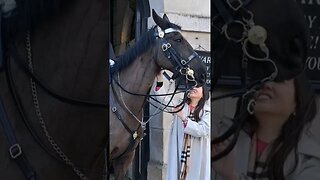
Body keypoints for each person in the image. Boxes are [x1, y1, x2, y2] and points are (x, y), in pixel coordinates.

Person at [212, 73, 320, 180]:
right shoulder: (218, 135)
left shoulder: (309, 158)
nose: (266, 85)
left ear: (297, 102)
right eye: (261, 79)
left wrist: (232, 177)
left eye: (279, 80)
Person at [152, 71, 211, 180]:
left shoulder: (207, 112)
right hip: (180, 152)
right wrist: (160, 79)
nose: (193, 87)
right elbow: (163, 99)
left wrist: (184, 118)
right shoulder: (180, 106)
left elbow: (203, 129)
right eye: (192, 85)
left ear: (204, 93)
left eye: (198, 86)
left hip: (196, 157)